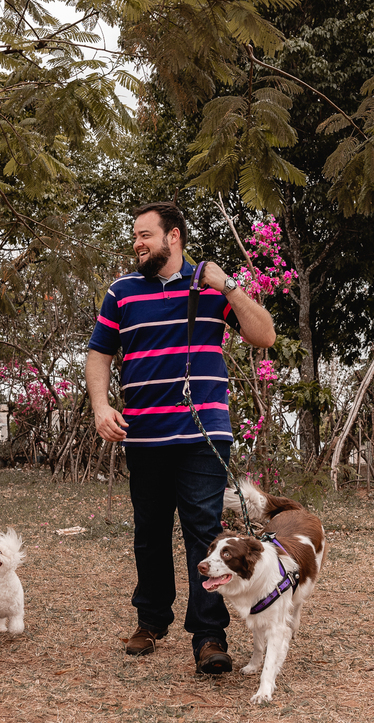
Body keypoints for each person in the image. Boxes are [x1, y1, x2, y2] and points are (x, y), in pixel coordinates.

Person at [86, 202, 276, 675]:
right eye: (135, 236)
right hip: (143, 435)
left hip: (202, 435)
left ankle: (209, 637)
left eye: (145, 235)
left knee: (203, 534)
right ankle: (151, 621)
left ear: (173, 237)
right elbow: (99, 354)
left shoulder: (210, 287)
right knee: (149, 533)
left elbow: (264, 336)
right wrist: (101, 406)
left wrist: (228, 285)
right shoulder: (122, 292)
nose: (137, 243)